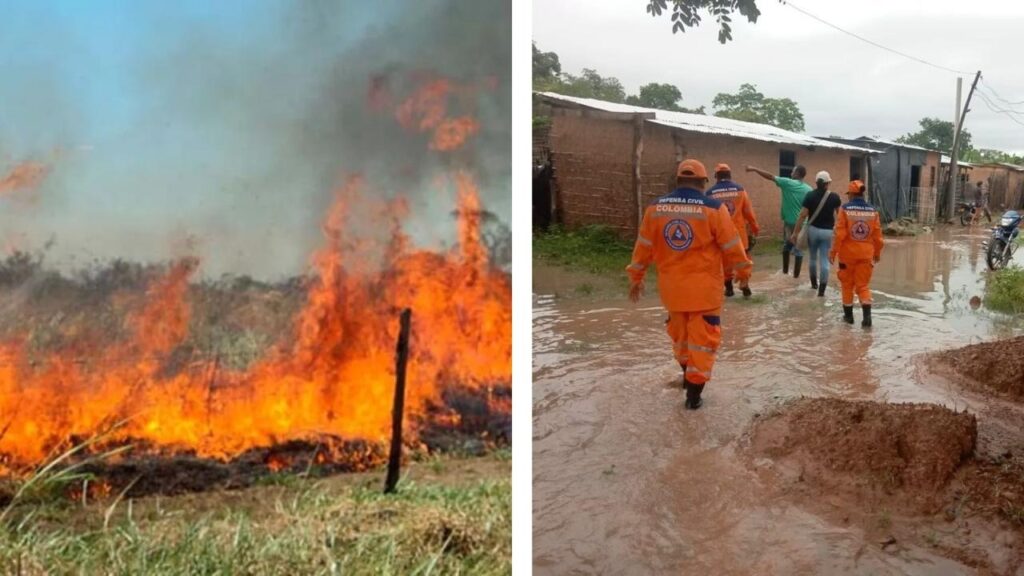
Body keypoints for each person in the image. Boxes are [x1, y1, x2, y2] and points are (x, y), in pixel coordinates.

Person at [627, 159, 752, 410]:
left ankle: (687, 379)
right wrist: (743, 271)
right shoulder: (714, 209)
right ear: (704, 182)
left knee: (681, 340)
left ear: (678, 180)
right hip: (704, 293)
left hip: (672, 292)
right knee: (702, 343)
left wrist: (636, 278)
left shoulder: (655, 209)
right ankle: (693, 398)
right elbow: (732, 245)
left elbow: (643, 247)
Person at [829, 180, 884, 327]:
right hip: (866, 255)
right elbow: (878, 237)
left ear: (852, 194)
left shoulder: (845, 209)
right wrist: (877, 253)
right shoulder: (873, 211)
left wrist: (833, 252)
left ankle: (848, 318)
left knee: (847, 285)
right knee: (863, 286)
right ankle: (867, 319)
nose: (848, 197)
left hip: (847, 256)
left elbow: (839, 234)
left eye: (849, 194)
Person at [745, 164, 811, 278]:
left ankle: (785, 272)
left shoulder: (787, 183)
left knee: (787, 245)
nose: (791, 173)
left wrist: (754, 169)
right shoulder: (809, 189)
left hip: (790, 222)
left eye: (793, 171)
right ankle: (796, 277)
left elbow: (770, 176)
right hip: (802, 223)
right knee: (799, 249)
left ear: (797, 174)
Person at [706, 163, 761, 298]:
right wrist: (755, 228)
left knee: (725, 263)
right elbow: (748, 212)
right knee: (744, 260)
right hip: (739, 235)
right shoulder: (740, 190)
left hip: (720, 235)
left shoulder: (709, 193)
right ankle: (745, 284)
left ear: (716, 177)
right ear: (730, 176)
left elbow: (707, 217)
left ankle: (729, 289)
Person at [789, 171, 841, 297]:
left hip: (812, 230)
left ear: (816, 183)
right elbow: (840, 217)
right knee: (824, 260)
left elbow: (802, 216)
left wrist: (795, 233)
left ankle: (813, 285)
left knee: (812, 258)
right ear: (828, 183)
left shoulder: (810, 195)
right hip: (828, 232)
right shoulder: (834, 197)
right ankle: (822, 291)